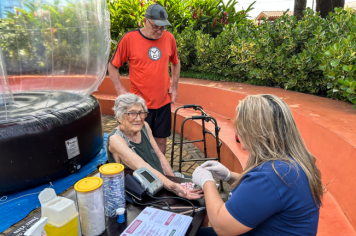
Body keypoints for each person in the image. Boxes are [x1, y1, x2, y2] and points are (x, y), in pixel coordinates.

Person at [192, 94, 323, 235]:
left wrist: (207, 182)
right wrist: (229, 176)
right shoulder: (288, 164)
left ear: (252, 131)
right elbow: (267, 195)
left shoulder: (272, 176)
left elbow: (222, 227)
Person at [108, 4, 180, 156]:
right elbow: (112, 66)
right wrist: (121, 91)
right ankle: (140, 171)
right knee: (138, 139)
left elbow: (176, 62)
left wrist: (174, 86)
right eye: (156, 27)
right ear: (146, 20)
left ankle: (160, 171)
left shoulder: (169, 38)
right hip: (139, 106)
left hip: (163, 102)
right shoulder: (129, 38)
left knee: (161, 139)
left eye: (163, 27)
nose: (160, 31)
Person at [106, 93, 203, 200]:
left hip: (163, 179)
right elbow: (142, 166)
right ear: (119, 117)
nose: (138, 119)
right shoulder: (116, 139)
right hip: (144, 189)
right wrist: (172, 186)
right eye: (132, 114)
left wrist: (174, 180)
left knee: (204, 186)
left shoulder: (144, 126)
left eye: (141, 113)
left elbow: (159, 155)